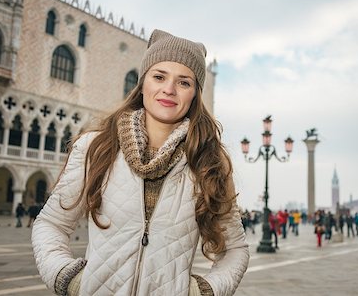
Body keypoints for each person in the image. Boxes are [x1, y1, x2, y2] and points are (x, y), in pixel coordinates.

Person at [32, 29, 249, 296]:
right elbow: (51, 223)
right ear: (143, 82)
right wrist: (66, 276)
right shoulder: (96, 147)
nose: (168, 89)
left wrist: (205, 290)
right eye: (159, 77)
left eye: (184, 82)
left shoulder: (208, 163)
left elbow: (235, 249)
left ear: (195, 94)